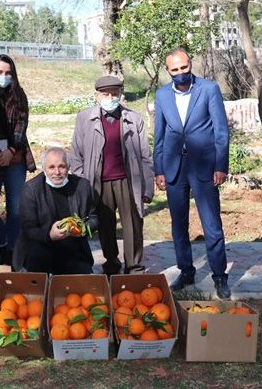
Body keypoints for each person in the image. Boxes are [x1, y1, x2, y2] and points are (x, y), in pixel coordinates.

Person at [153, 48, 232, 299]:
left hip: (204, 167)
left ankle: (220, 276)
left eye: (183, 68)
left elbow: (221, 131)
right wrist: (159, 169)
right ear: (168, 71)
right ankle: (186, 271)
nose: (180, 73)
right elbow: (160, 134)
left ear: (190, 65)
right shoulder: (162, 95)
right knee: (179, 225)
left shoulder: (208, 89)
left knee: (211, 224)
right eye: (174, 70)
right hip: (174, 167)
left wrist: (221, 166)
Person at [70, 76, 154, 276]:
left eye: (114, 94)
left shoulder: (134, 119)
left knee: (133, 225)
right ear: (96, 96)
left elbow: (145, 155)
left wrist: (147, 187)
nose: (110, 98)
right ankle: (111, 264)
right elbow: (76, 155)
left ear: (120, 95)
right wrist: (82, 186)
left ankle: (134, 267)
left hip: (127, 180)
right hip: (98, 182)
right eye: (105, 94)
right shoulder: (84, 119)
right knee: (105, 227)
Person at [0, 55, 37, 267]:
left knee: (15, 209)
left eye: (8, 73)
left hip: (15, 158)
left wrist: (11, 150)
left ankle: (12, 251)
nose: (4, 76)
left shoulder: (19, 95)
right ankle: (3, 246)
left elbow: (21, 126)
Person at [12, 147, 99, 275]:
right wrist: (50, 235)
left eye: (62, 167)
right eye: (51, 167)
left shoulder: (82, 186)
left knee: (83, 285)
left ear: (68, 167)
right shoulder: (31, 188)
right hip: (41, 245)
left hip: (72, 248)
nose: (57, 172)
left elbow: (94, 218)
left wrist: (83, 229)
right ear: (44, 169)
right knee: (38, 257)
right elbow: (28, 227)